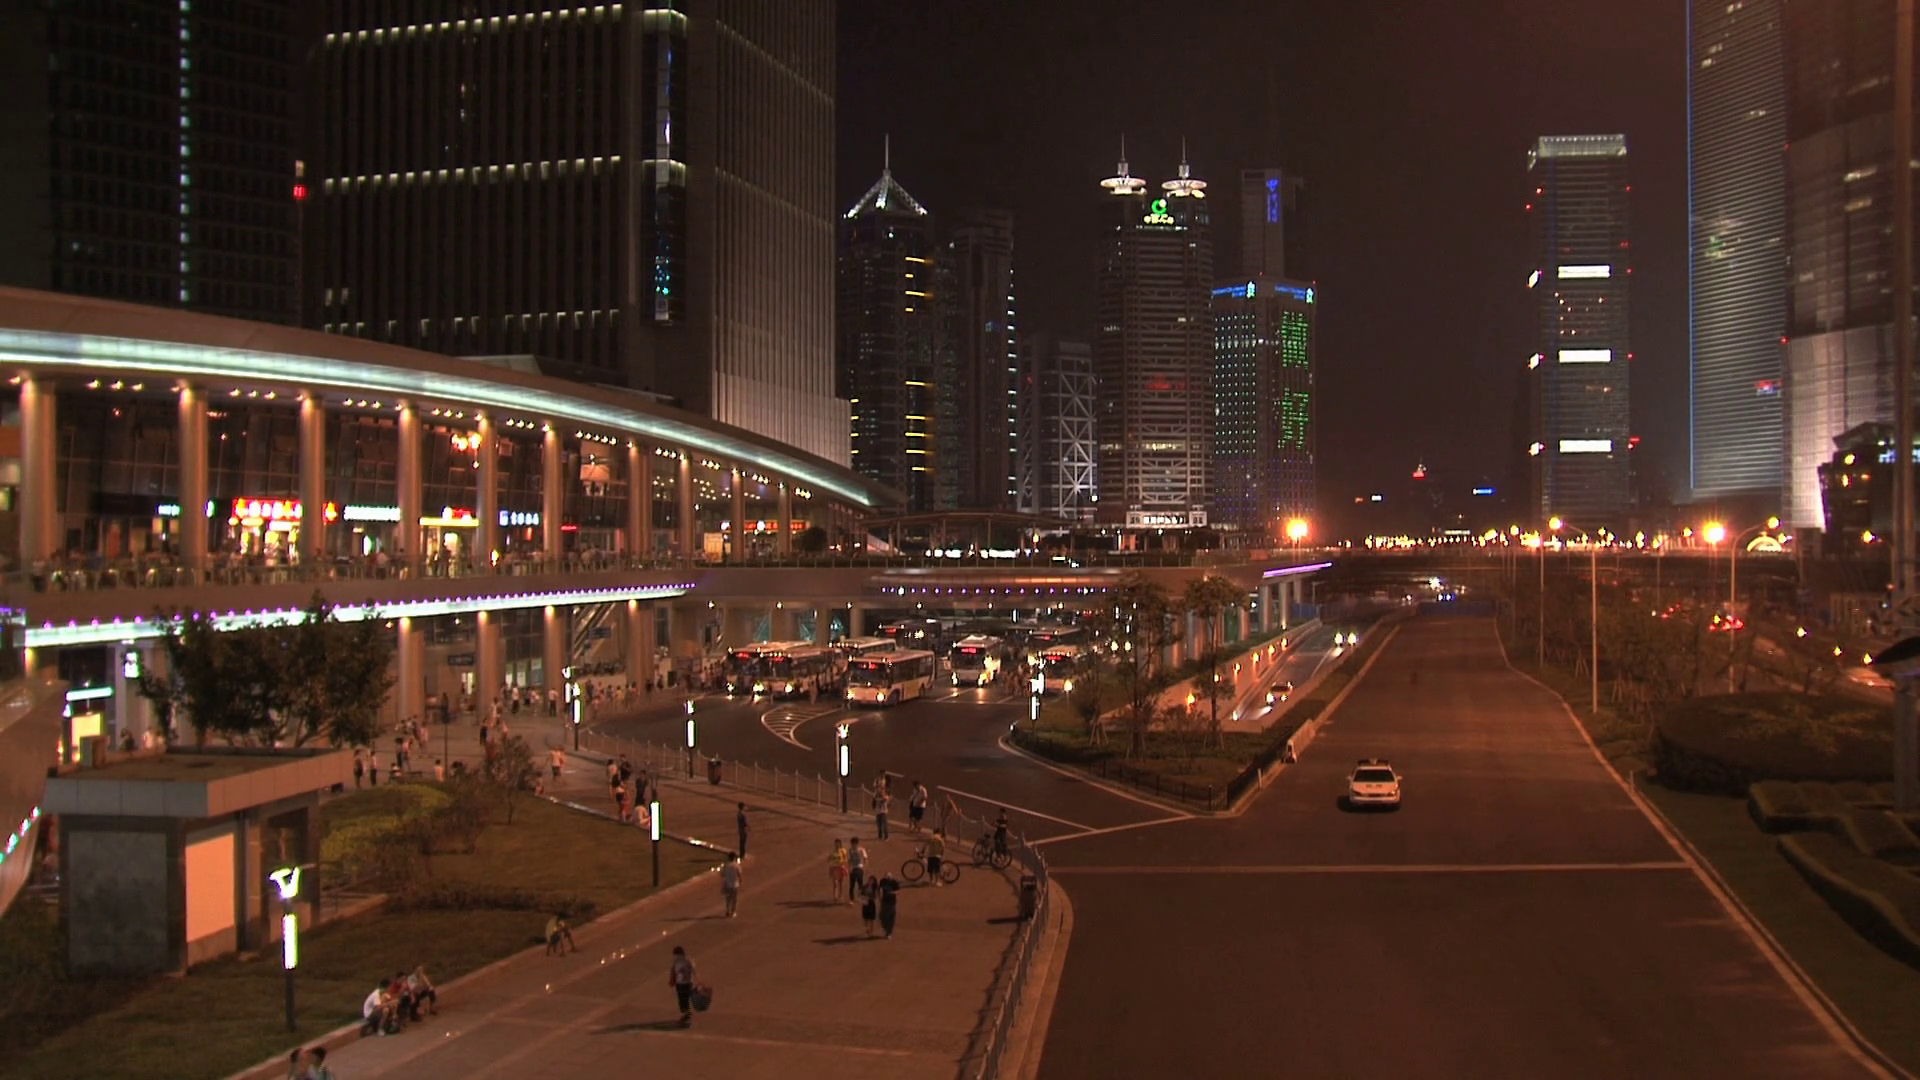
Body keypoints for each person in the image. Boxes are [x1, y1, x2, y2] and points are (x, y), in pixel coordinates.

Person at [668, 946, 696, 1027]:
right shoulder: (687, 961)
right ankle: (687, 1014)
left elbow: (673, 972)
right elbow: (693, 971)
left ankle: (686, 1015)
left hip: (682, 984)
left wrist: (671, 981)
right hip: (685, 983)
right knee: (684, 999)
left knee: (683, 1000)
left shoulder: (678, 961)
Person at [720, 851, 742, 917]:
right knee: (734, 899)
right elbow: (739, 874)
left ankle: (727, 911)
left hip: (727, 884)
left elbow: (722, 875)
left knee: (728, 898)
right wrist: (740, 881)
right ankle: (733, 912)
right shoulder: (736, 866)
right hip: (735, 884)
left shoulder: (726, 865)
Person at [878, 875, 899, 939]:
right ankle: (885, 928)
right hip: (884, 902)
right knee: (883, 916)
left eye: (889, 877)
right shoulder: (882, 881)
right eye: (887, 877)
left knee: (891, 917)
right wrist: (880, 898)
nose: (888, 878)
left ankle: (889, 933)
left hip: (892, 902)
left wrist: (892, 893)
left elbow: (897, 891)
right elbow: (880, 889)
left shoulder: (894, 882)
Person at [828, 838, 849, 903]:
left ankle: (840, 895)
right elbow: (829, 859)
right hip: (834, 868)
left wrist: (844, 865)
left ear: (840, 844)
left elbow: (846, 859)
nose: (837, 844)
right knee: (835, 882)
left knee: (840, 882)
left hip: (840, 867)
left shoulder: (843, 851)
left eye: (838, 843)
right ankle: (835, 896)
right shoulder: (833, 852)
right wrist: (832, 864)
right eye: (836, 843)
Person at [848, 837, 869, 902]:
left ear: (857, 843)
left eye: (854, 843)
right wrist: (849, 868)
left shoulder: (861, 850)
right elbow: (849, 860)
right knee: (852, 884)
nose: (853, 845)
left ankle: (861, 896)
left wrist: (864, 867)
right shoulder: (850, 851)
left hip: (859, 868)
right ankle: (851, 898)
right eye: (852, 843)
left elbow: (865, 859)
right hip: (853, 868)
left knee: (860, 883)